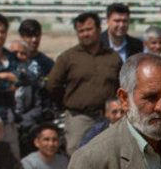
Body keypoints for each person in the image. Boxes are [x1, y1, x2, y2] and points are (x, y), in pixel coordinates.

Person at [46, 12, 122, 153]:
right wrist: (67, 103)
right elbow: (52, 85)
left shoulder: (113, 57)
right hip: (78, 118)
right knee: (77, 155)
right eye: (81, 31)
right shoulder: (68, 57)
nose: (85, 34)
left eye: (89, 29)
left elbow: (121, 86)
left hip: (106, 117)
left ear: (99, 30)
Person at [0, 13, 27, 157]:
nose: (0, 35)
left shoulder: (12, 57)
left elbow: (26, 78)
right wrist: (10, 79)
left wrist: (4, 77)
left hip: (10, 116)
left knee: (13, 160)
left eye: (2, 32)